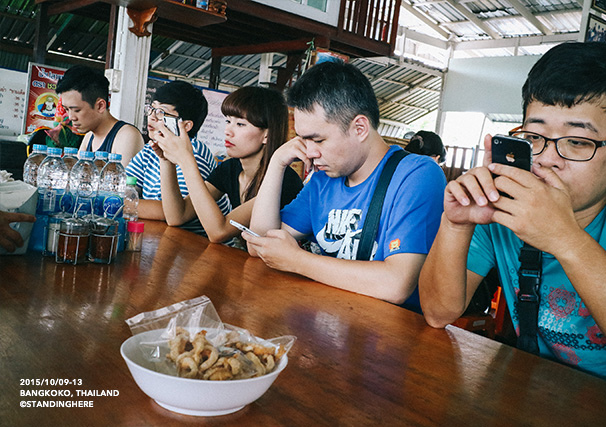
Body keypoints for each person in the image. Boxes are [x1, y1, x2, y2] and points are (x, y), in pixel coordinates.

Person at [419, 42, 606, 389]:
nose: (548, 158)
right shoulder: (503, 205)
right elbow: (437, 313)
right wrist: (456, 223)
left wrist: (564, 239)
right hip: (532, 393)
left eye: (578, 141)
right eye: (534, 136)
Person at [244, 61, 447, 311]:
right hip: (326, 320)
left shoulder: (417, 174)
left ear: (359, 128)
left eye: (317, 139)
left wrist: (298, 261)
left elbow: (397, 284)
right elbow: (261, 245)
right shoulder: (323, 179)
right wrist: (276, 163)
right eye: (303, 140)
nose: (309, 152)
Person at [154, 86, 303, 244]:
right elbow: (177, 216)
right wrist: (166, 160)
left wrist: (186, 160)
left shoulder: (283, 181)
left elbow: (219, 232)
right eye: (228, 121)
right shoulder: (231, 168)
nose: (227, 131)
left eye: (240, 124)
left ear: (266, 134)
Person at [125, 80, 230, 235]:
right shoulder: (150, 148)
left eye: (161, 112)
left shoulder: (195, 153)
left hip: (197, 245)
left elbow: (169, 212)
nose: (152, 117)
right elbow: (125, 187)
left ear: (186, 126)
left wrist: (116, 203)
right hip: (164, 237)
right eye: (151, 109)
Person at [56, 65, 144, 167]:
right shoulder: (89, 137)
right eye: (66, 109)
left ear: (100, 106)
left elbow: (125, 181)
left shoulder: (127, 136)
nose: (71, 117)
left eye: (76, 110)